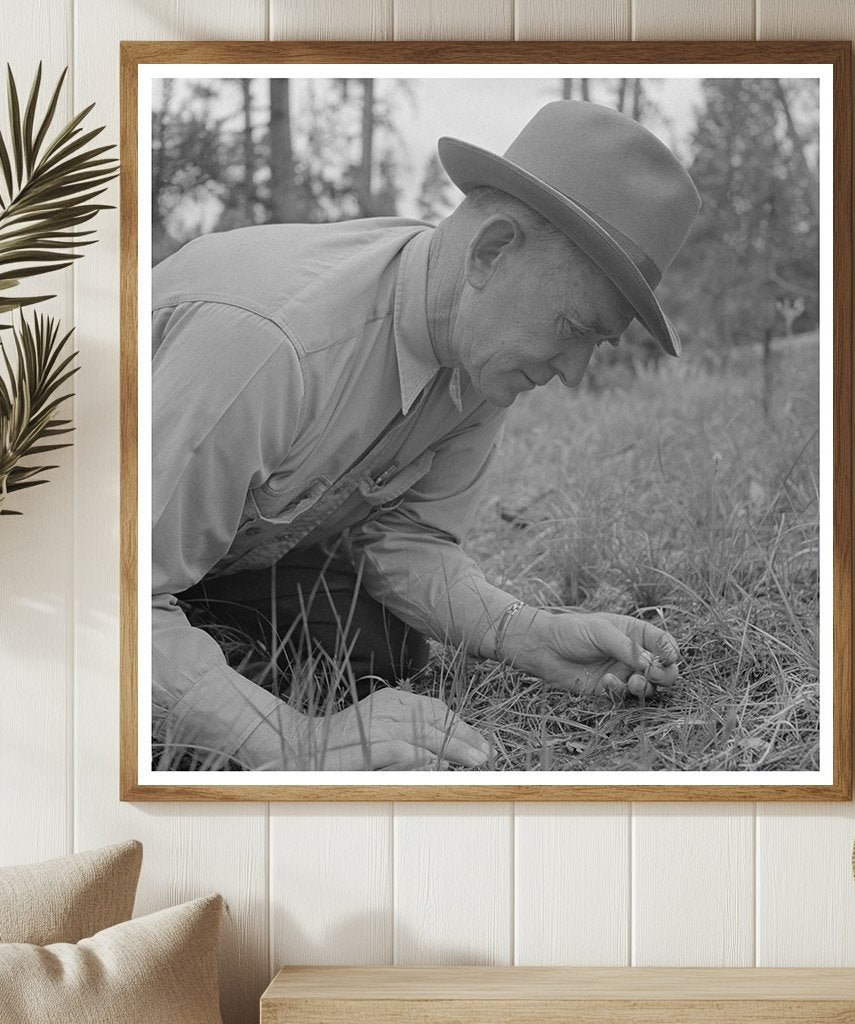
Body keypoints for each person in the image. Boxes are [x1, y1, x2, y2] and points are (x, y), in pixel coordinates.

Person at [152, 99, 701, 771]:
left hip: (203, 554)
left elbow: (410, 542)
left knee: (378, 646)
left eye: (598, 344)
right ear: (492, 250)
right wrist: (299, 743)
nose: (574, 373)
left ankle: (190, 656)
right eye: (573, 328)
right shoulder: (273, 349)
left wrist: (528, 634)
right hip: (69, 554)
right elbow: (103, 600)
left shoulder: (482, 355)